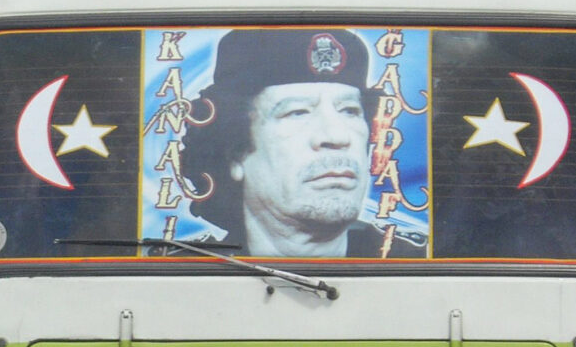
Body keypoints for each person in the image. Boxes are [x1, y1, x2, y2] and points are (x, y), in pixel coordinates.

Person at [176, 28, 422, 258]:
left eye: (349, 110)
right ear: (235, 154)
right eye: (297, 112)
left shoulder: (422, 262)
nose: (337, 137)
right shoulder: (182, 275)